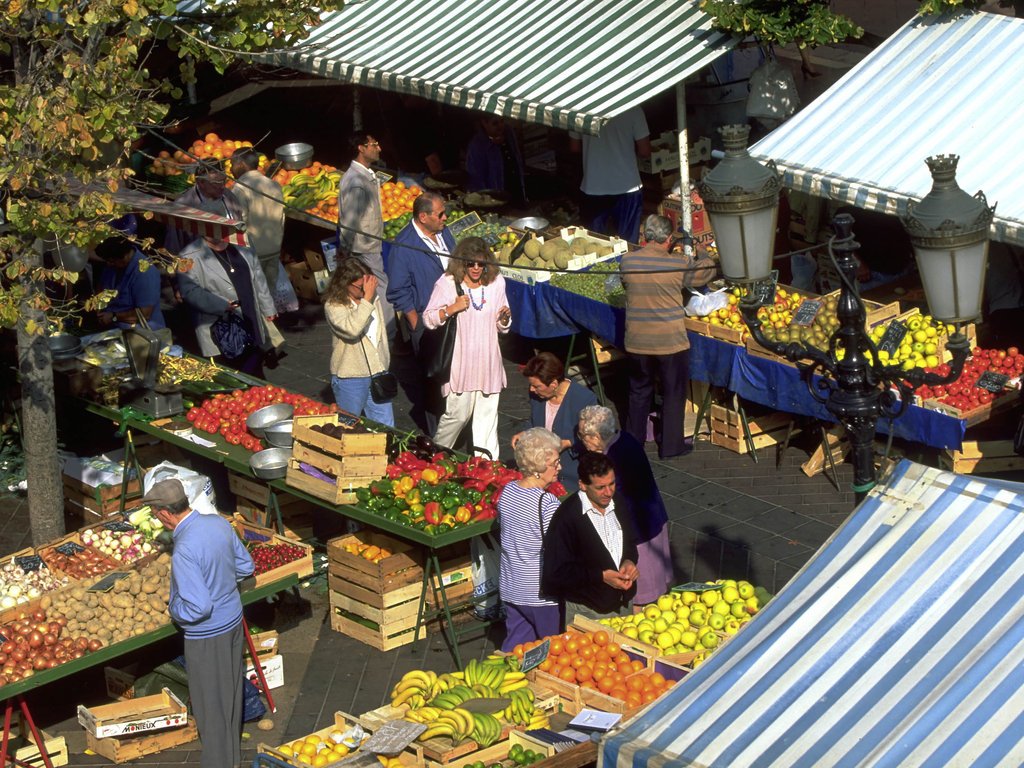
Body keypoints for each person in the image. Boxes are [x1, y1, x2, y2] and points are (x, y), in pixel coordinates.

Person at [144, 478, 254, 768]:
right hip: (232, 623)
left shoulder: (184, 550)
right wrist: (223, 586)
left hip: (206, 636)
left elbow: (198, 606)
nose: (158, 520)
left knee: (210, 708)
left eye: (156, 514)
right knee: (229, 697)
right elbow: (245, 566)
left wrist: (175, 609)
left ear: (165, 513)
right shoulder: (217, 524)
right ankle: (231, 761)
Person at [621, 214, 716, 459]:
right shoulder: (678, 264)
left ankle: (633, 443)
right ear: (669, 239)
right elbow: (704, 274)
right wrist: (703, 253)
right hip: (670, 343)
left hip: (637, 341)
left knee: (639, 391)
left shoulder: (628, 261)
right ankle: (671, 446)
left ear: (645, 236)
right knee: (673, 393)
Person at [423, 237, 512, 460]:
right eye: (469, 263)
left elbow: (503, 326)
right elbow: (428, 319)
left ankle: (488, 471)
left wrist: (504, 319)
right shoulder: (448, 283)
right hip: (461, 363)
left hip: (488, 361)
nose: (475, 268)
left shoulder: (496, 282)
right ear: (461, 263)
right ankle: (434, 457)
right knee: (457, 415)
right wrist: (451, 308)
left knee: (487, 421)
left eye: (480, 264)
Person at [577, 405, 671, 606]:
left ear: (594, 437)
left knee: (643, 593)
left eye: (583, 436)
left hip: (639, 528)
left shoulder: (612, 460)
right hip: (652, 515)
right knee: (659, 579)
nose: (582, 442)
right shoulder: (625, 438)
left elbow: (616, 499)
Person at [386, 191, 456, 432]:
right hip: (427, 323)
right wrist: (416, 323)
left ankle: (456, 424)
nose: (445, 218)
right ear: (423, 217)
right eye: (440, 214)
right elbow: (397, 290)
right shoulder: (404, 246)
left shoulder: (444, 233)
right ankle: (438, 435)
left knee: (455, 375)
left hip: (453, 315)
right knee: (433, 379)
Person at [541, 451, 639, 621]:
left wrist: (630, 560)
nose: (608, 492)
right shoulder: (567, 517)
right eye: (600, 487)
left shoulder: (619, 502)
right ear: (583, 485)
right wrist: (600, 576)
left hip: (624, 606)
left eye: (612, 484)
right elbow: (556, 572)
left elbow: (630, 542)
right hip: (587, 611)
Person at [496, 428, 564, 651]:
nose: (559, 468)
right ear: (539, 466)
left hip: (512, 586)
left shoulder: (508, 491)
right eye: (555, 463)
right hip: (539, 594)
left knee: (515, 649)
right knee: (552, 652)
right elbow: (561, 547)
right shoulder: (546, 504)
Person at [177, 232, 277, 377]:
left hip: (250, 318)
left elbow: (258, 277)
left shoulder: (242, 244)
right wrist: (221, 304)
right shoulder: (188, 255)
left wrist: (268, 307)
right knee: (229, 373)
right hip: (221, 327)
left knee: (254, 369)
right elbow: (189, 291)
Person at [323, 257, 395, 426]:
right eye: (360, 286)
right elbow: (352, 329)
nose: (365, 290)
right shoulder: (334, 305)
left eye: (368, 284)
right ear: (345, 284)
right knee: (348, 425)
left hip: (378, 371)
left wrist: (384, 363)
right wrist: (367, 300)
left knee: (385, 427)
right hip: (351, 376)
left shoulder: (372, 297)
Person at [337, 132, 394, 340]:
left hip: (369, 244)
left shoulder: (366, 175)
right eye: (374, 144)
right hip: (364, 246)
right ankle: (389, 333)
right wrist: (345, 248)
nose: (378, 148)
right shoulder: (356, 181)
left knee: (373, 285)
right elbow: (350, 220)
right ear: (361, 148)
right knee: (380, 285)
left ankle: (382, 330)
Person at [510, 352, 597, 487]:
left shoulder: (584, 399)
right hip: (540, 471)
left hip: (571, 475)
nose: (532, 390)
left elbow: (594, 440)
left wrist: (567, 443)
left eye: (537, 386)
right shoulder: (537, 394)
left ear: (554, 384)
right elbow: (534, 421)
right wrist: (526, 433)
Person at [568, 106, 651, 244]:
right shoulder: (633, 109)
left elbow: (574, 147)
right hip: (627, 186)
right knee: (628, 244)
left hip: (594, 186)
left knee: (594, 244)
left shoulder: (579, 108)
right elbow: (645, 150)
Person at [230, 148, 285, 291]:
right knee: (269, 292)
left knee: (254, 294)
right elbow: (282, 218)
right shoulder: (274, 185)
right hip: (274, 248)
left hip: (253, 253)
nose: (230, 168)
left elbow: (239, 223)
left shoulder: (240, 188)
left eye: (232, 164)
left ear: (241, 164)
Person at [165, 164, 244, 255]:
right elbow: (173, 246)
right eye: (216, 183)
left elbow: (239, 226)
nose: (222, 186)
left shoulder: (228, 196)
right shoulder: (182, 207)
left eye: (223, 181)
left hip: (231, 254)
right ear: (200, 182)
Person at [94, 235, 166, 331]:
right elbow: (102, 287)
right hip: (114, 327)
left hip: (142, 332)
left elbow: (145, 314)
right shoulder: (113, 264)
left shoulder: (145, 272)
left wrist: (113, 316)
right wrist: (99, 307)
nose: (109, 264)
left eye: (112, 261)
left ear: (125, 256)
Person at [465, 114, 526, 205]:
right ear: (484, 123)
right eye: (495, 123)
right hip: (496, 199)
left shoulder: (508, 132)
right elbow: (476, 179)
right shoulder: (477, 146)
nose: (500, 126)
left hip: (517, 191)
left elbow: (517, 159)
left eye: (502, 121)